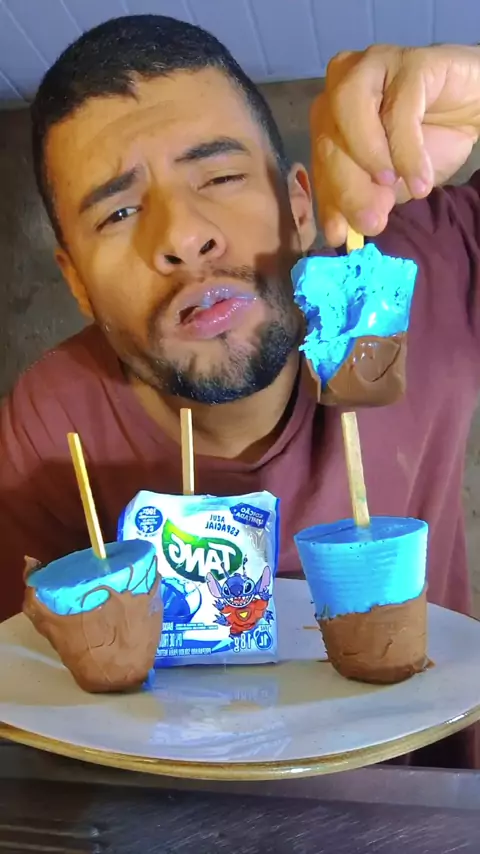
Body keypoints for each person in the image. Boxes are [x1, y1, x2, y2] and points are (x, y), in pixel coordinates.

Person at [1, 15, 480, 766]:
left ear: (299, 206)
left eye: (220, 177)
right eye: (119, 211)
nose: (182, 236)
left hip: (429, 796)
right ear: (76, 282)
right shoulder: (48, 425)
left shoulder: (423, 278)